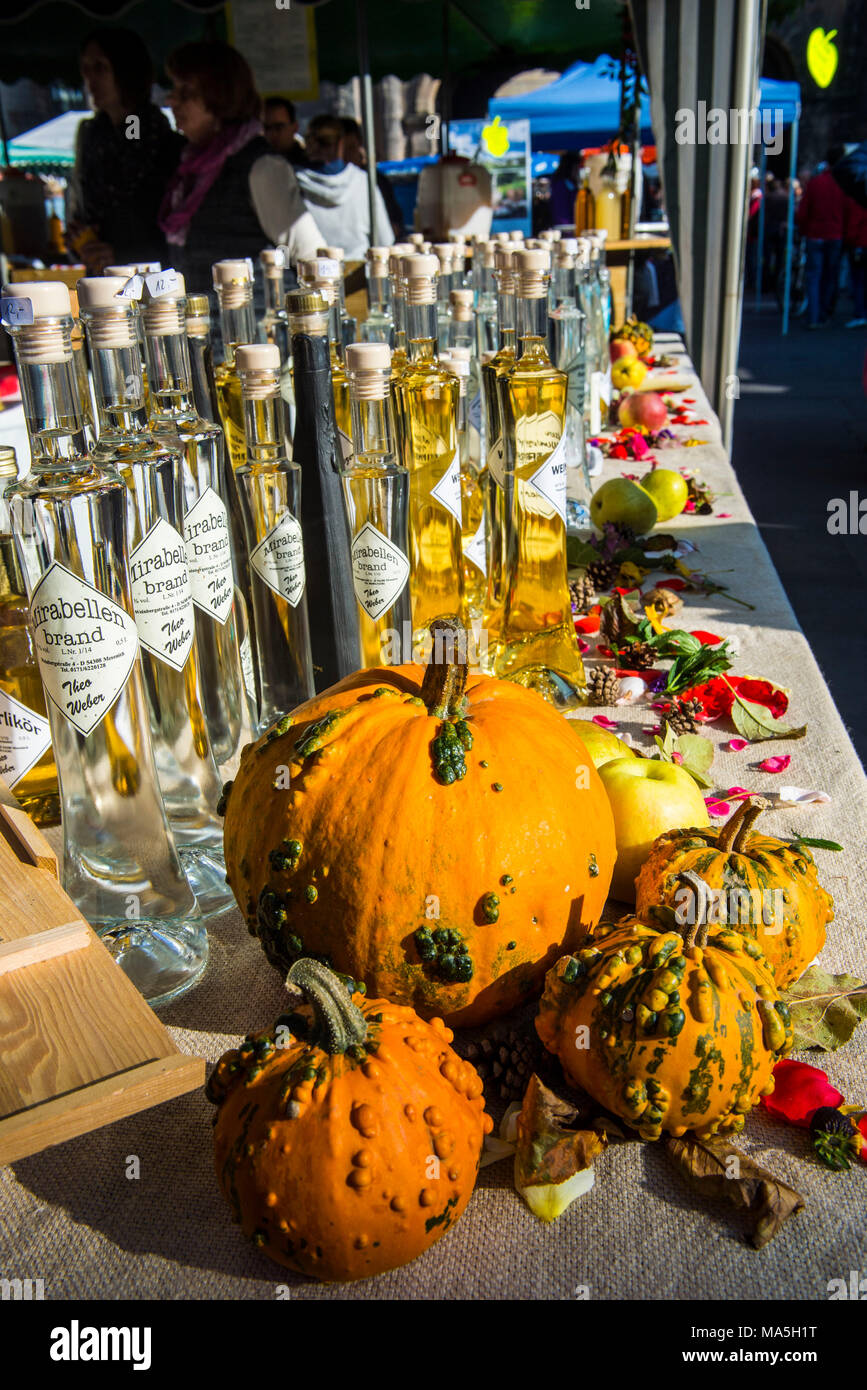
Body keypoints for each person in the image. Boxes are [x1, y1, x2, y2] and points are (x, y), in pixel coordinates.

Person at [159, 41, 321, 294]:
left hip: (253, 329)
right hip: (203, 330)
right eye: (173, 90)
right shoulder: (189, 167)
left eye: (186, 91)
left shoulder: (262, 167)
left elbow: (312, 259)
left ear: (220, 97)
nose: (172, 100)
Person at [66, 27, 182, 273]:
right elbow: (81, 213)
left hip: (153, 277)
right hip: (102, 278)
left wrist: (119, 252)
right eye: (86, 69)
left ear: (126, 70)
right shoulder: (92, 136)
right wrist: (80, 242)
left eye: (100, 67)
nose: (90, 80)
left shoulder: (155, 138)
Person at [293, 113, 394, 258]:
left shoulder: (293, 181)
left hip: (313, 274)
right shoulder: (363, 182)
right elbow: (385, 240)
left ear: (309, 143)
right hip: (360, 274)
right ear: (341, 143)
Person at [796, 147, 846, 327]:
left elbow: (803, 212)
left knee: (814, 277)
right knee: (829, 276)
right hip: (834, 234)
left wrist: (803, 229)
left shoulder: (816, 183)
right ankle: (823, 313)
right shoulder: (842, 184)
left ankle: (814, 316)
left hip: (816, 234)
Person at [339, 116, 404, 238]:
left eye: (351, 148)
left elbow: (394, 227)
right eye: (344, 150)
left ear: (359, 145)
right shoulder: (331, 183)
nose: (347, 156)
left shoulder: (375, 181)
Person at [843, 193, 867, 328]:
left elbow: (853, 225)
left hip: (860, 245)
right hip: (860, 243)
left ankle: (860, 313)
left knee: (859, 281)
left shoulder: (858, 202)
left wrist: (849, 242)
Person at [263, 96, 308, 167]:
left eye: (279, 127)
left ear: (295, 127)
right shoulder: (255, 163)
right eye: (266, 128)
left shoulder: (309, 164)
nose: (272, 134)